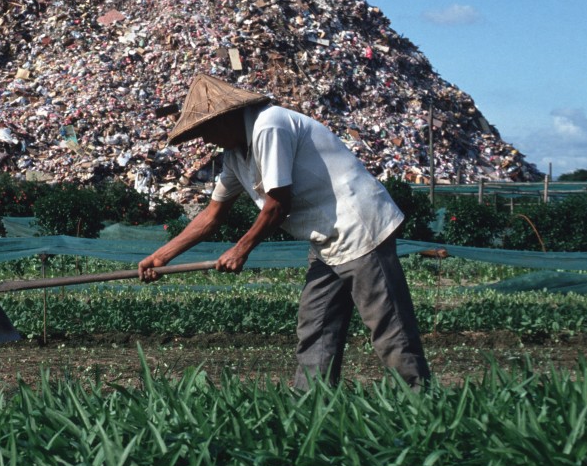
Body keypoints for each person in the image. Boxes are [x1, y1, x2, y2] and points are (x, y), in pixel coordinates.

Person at [138, 74, 430, 390]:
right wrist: (160, 257)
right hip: (324, 236)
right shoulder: (236, 155)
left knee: (387, 323)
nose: (206, 139)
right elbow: (212, 215)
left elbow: (278, 204)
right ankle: (311, 404)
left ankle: (419, 400)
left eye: (206, 129)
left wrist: (241, 249)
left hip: (358, 224)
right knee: (316, 324)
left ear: (226, 117)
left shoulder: (269, 125)